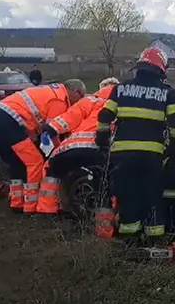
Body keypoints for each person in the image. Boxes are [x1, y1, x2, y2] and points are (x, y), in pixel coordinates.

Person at [96, 46, 175, 243]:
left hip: (122, 156)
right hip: (151, 157)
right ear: (161, 69)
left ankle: (129, 242)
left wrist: (101, 140)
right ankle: (154, 242)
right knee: (152, 197)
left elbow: (104, 116)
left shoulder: (120, 88)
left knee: (127, 198)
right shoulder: (167, 92)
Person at [0, 79, 87, 214]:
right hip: (6, 123)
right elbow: (52, 130)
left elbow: (34, 124)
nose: (81, 100)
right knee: (35, 161)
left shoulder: (50, 91)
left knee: (17, 163)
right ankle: (31, 206)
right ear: (74, 91)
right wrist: (60, 151)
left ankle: (17, 203)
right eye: (81, 96)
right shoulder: (60, 100)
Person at [43, 78, 120, 213]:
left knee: (52, 171)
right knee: (109, 178)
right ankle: (111, 211)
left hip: (70, 148)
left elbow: (69, 117)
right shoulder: (123, 104)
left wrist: (51, 129)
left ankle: (47, 209)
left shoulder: (90, 100)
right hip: (101, 148)